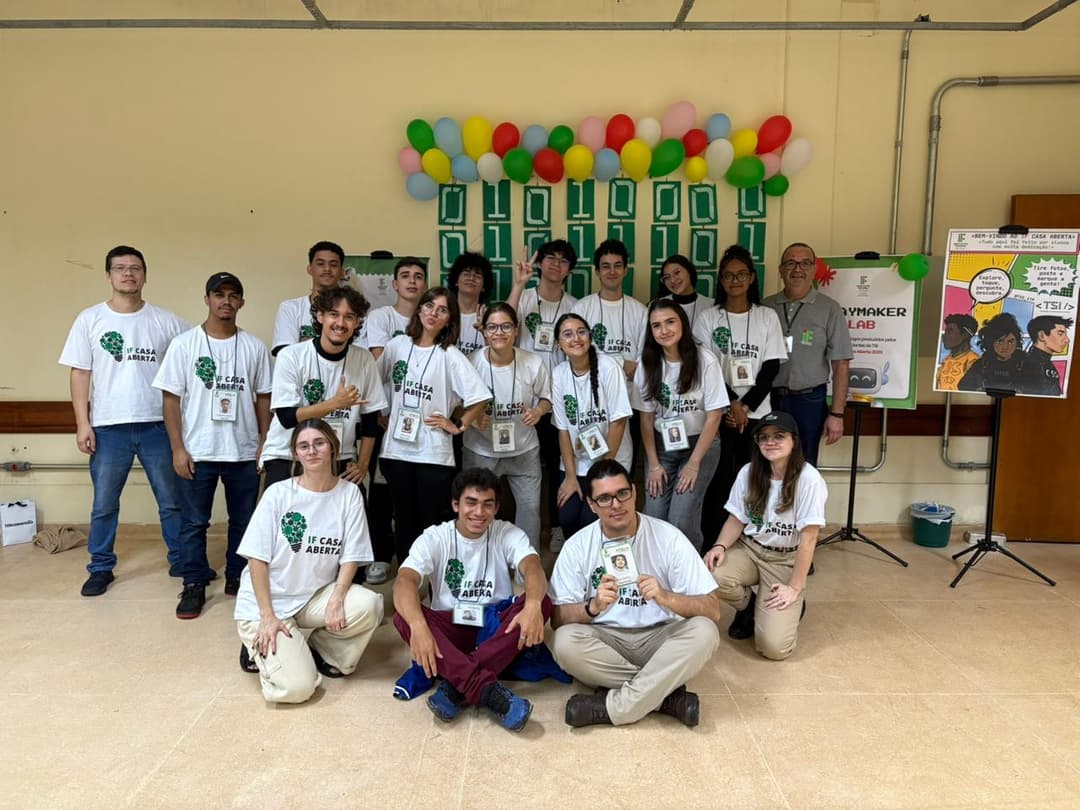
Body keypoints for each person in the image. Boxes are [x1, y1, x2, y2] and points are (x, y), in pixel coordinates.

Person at [550, 460, 721, 728]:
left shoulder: (669, 537)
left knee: (705, 632)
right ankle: (663, 695)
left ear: (634, 492)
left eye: (622, 493)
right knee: (564, 643)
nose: (616, 505)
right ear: (592, 506)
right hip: (606, 639)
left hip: (659, 638)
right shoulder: (577, 546)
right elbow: (557, 619)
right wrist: (592, 606)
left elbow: (713, 609)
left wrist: (666, 597)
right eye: (604, 499)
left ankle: (616, 707)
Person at [59, 245, 189, 597]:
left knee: (171, 500)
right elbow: (80, 373)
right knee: (104, 504)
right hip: (108, 427)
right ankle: (100, 567)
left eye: (135, 268)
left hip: (157, 425)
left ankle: (181, 559)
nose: (128, 273)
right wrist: (82, 423)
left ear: (145, 275)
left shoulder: (166, 321)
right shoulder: (90, 319)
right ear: (109, 276)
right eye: (120, 268)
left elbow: (191, 359)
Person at [234, 419, 384, 704]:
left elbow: (351, 555)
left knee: (369, 605)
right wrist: (267, 616)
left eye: (319, 443)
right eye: (303, 446)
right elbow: (256, 559)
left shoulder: (349, 494)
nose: (312, 451)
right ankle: (261, 648)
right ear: (295, 454)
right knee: (298, 689)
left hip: (312, 596)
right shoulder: (278, 494)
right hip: (269, 602)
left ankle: (321, 650)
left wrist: (337, 597)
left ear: (333, 448)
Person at [392, 468, 551, 732]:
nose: (479, 512)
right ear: (456, 505)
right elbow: (404, 581)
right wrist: (418, 626)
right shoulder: (435, 537)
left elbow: (533, 567)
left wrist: (533, 604)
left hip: (495, 626)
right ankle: (487, 690)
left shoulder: (506, 532)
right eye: (471, 502)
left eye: (488, 504)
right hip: (452, 626)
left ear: (496, 508)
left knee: (542, 601)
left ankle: (457, 682)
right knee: (404, 616)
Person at [153, 272, 272, 617]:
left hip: (243, 452)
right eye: (219, 294)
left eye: (233, 295)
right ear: (206, 299)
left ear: (242, 302)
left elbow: (264, 397)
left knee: (243, 521)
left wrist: (264, 441)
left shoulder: (253, 347)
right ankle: (193, 583)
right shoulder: (184, 345)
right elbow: (171, 400)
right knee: (193, 523)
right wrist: (177, 448)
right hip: (198, 451)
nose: (226, 301)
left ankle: (238, 576)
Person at [378, 288, 491, 565]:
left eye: (442, 310)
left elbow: (480, 396)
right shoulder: (397, 346)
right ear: (419, 309)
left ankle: (433, 578)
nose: (433, 313)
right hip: (396, 451)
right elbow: (373, 382)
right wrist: (381, 414)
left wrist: (458, 424)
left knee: (431, 521)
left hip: (433, 452)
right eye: (429, 306)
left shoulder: (449, 354)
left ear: (449, 319)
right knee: (403, 518)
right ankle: (408, 578)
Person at [704, 411, 827, 660]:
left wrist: (795, 587)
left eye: (779, 436)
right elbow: (736, 519)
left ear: (794, 441)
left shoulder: (809, 479)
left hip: (784, 559)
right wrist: (719, 546)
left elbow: (809, 539)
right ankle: (751, 607)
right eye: (764, 437)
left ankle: (791, 603)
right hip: (750, 549)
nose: (770, 442)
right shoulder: (749, 472)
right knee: (711, 573)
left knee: (773, 648)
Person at [694, 244, 787, 546]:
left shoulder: (766, 317)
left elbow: (771, 368)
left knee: (754, 478)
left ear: (751, 278)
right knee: (718, 480)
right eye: (728, 275)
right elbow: (707, 368)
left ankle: (751, 540)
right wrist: (732, 405)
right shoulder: (708, 318)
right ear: (721, 280)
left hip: (757, 416)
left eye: (741, 274)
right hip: (719, 414)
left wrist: (745, 407)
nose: (735, 281)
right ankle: (713, 541)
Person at [260, 286, 386, 492]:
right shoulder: (291, 356)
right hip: (288, 454)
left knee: (355, 504)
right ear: (320, 316)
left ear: (357, 322)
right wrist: (335, 404)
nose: (340, 323)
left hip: (339, 455)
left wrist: (363, 464)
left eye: (349, 317)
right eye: (334, 314)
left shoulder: (363, 359)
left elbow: (370, 420)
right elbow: (286, 417)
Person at [634, 299, 727, 553]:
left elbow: (714, 416)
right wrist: (654, 465)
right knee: (653, 515)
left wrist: (694, 463)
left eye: (670, 322)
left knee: (681, 518)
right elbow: (646, 418)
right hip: (662, 447)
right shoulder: (648, 362)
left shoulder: (705, 360)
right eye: (656, 326)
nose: (664, 330)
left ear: (683, 324)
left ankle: (689, 565)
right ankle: (657, 565)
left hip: (700, 445)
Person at [359, 256, 428, 583]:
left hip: (423, 423)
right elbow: (381, 365)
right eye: (406, 275)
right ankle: (381, 556)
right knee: (383, 491)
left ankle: (417, 558)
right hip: (386, 419)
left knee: (417, 493)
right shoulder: (382, 317)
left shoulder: (433, 318)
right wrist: (384, 412)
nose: (412, 281)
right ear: (395, 284)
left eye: (418, 276)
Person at [509, 240, 580, 552]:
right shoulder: (524, 297)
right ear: (540, 264)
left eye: (563, 260)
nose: (555, 264)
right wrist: (518, 284)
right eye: (550, 258)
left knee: (557, 465)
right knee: (516, 465)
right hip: (522, 399)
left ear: (569, 270)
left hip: (559, 399)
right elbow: (502, 322)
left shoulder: (575, 305)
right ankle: (510, 531)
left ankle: (555, 527)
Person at [463, 303, 551, 549]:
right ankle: (478, 557)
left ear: (516, 329)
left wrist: (538, 411)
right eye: (492, 327)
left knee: (530, 509)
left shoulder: (532, 362)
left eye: (505, 327)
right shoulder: (470, 363)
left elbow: (547, 398)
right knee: (477, 510)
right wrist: (471, 416)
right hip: (480, 450)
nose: (499, 333)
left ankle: (526, 563)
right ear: (483, 330)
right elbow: (454, 405)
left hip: (524, 450)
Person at [762, 242, 852, 465]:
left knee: (804, 464)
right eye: (790, 263)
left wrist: (837, 414)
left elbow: (841, 364)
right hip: (770, 398)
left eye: (805, 263)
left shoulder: (829, 308)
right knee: (768, 464)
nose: (797, 269)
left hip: (810, 401)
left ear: (814, 269)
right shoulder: (765, 307)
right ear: (781, 270)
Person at [551, 313, 633, 540]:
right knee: (567, 516)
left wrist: (602, 471)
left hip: (610, 459)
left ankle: (600, 557)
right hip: (576, 463)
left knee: (591, 518)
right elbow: (563, 430)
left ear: (590, 336)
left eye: (581, 332)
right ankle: (578, 557)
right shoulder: (558, 374)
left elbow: (619, 421)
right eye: (568, 334)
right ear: (558, 343)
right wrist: (570, 476)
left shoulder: (609, 367)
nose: (576, 338)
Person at [271, 241, 348, 356]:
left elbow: (355, 355)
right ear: (309, 269)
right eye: (320, 264)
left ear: (342, 272)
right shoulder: (290, 308)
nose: (327, 269)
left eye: (333, 265)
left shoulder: (353, 312)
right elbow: (286, 355)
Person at [958, 313, 1026, 393]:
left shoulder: (1026, 364)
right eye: (1000, 341)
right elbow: (963, 386)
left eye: (1010, 342)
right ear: (991, 341)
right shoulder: (982, 364)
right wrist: (978, 391)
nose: (1005, 346)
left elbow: (1036, 389)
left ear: (1017, 341)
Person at [448, 251, 494, 356]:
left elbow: (498, 355)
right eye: (466, 273)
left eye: (477, 275)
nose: (471, 278)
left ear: (484, 286)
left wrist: (486, 332)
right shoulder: (444, 314)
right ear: (456, 281)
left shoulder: (489, 317)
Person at [1021, 315, 1072, 396]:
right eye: (1060, 334)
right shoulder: (1030, 363)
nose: (1067, 340)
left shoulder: (1045, 363)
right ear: (1042, 335)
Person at [655, 254, 704, 331]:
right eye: (667, 277)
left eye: (677, 272)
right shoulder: (657, 306)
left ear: (689, 271)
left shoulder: (711, 305)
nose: (672, 280)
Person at [935, 313, 980, 391]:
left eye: (949, 332)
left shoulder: (973, 361)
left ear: (965, 335)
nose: (944, 336)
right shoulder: (945, 361)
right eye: (945, 332)